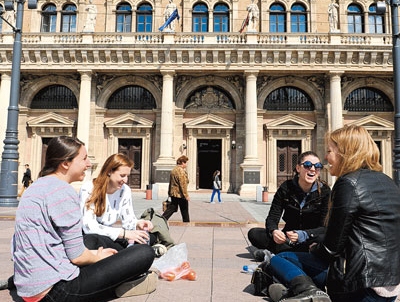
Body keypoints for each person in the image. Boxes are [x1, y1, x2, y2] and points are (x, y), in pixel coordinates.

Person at [12, 136, 156, 301]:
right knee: (144, 253)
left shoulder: (35, 187)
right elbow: (77, 257)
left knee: (100, 246)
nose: (89, 164)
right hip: (56, 290)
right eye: (84, 158)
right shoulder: (63, 192)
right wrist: (99, 257)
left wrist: (96, 254)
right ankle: (118, 288)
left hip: (29, 286)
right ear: (65, 163)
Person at [265, 125, 400, 302]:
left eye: (329, 150)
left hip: (357, 284)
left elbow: (331, 247)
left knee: (281, 259)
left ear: (345, 152)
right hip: (389, 285)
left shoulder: (348, 183)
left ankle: (308, 291)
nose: (326, 158)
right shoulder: (388, 181)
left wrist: (315, 248)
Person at [248, 151, 331, 260]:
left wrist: (303, 234)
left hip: (311, 238)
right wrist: (274, 231)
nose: (312, 169)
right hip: (287, 238)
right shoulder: (286, 187)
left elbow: (324, 227)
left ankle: (276, 254)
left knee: (323, 240)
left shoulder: (325, 191)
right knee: (254, 234)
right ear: (298, 168)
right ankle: (293, 254)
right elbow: (272, 217)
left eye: (317, 166)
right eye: (307, 165)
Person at [162, 155, 190, 222]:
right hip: (180, 194)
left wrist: (169, 192)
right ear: (182, 162)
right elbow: (182, 184)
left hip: (173, 193)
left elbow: (171, 183)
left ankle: (162, 219)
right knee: (184, 210)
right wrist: (186, 195)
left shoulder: (174, 170)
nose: (186, 164)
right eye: (185, 163)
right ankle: (186, 222)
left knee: (172, 208)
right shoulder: (181, 171)